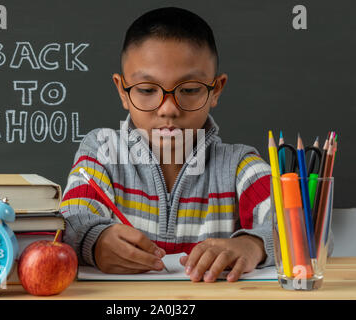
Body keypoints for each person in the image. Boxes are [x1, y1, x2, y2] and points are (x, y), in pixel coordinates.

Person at [60, 6, 274, 282]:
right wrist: (96, 240)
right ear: (122, 91)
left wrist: (253, 245)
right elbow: (70, 219)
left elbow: (303, 226)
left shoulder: (238, 165)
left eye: (189, 90)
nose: (168, 109)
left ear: (216, 90)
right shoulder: (103, 150)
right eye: (148, 90)